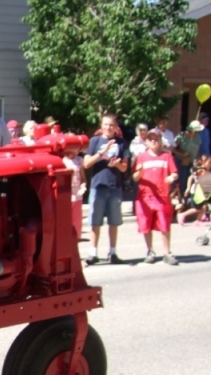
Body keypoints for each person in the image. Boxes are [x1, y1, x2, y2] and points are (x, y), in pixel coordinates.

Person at [82, 113, 130, 265]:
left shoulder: (122, 143)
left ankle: (113, 252)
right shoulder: (95, 141)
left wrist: (117, 164)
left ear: (116, 127)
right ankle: (93, 253)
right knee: (95, 221)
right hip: (98, 185)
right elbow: (86, 164)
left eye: (111, 125)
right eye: (106, 124)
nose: (108, 127)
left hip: (115, 186)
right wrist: (101, 153)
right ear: (101, 126)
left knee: (113, 221)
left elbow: (124, 167)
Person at [132, 128, 179, 265]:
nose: (153, 141)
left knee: (164, 225)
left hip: (162, 196)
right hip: (145, 197)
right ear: (146, 141)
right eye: (150, 139)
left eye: (156, 139)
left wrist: (171, 177)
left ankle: (167, 252)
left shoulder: (167, 156)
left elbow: (175, 173)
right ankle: (150, 251)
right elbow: (135, 178)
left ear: (160, 141)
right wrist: (139, 171)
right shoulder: (141, 157)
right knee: (145, 225)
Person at [172, 120, 202, 194]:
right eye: (196, 131)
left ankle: (186, 196)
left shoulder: (197, 137)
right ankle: (178, 195)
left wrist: (197, 159)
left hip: (191, 163)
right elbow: (173, 148)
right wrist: (182, 154)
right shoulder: (181, 136)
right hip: (180, 161)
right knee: (180, 180)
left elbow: (198, 150)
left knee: (189, 180)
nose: (197, 133)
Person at [63, 147, 87, 239]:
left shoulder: (79, 160)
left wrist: (83, 186)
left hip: (77, 194)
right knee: (66, 219)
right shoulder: (63, 161)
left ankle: (76, 239)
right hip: (67, 193)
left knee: (77, 220)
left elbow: (83, 178)